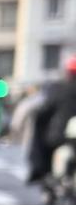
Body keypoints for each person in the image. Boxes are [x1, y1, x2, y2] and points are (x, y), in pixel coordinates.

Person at [27, 55, 76, 186]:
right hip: (63, 135)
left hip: (59, 136)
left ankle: (41, 172)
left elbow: (45, 110)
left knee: (42, 145)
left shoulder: (59, 88)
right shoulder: (59, 88)